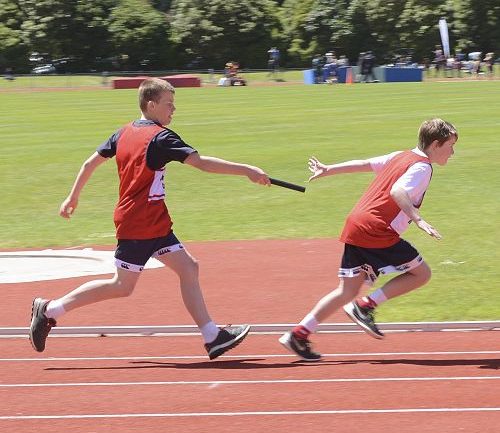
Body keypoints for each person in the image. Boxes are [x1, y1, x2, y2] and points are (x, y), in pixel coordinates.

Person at [29, 78, 271, 358]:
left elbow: (89, 163)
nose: (174, 110)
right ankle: (48, 310)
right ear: (151, 104)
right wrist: (247, 171)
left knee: (188, 269)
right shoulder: (161, 137)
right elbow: (201, 163)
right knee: (121, 286)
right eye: (169, 104)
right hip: (139, 223)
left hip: (151, 221)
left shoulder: (124, 132)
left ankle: (212, 336)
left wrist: (73, 197)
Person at [279, 118, 458, 361]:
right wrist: (418, 219)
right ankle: (365, 306)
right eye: (451, 145)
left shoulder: (401, 156)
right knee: (422, 273)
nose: (453, 151)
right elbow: (397, 191)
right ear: (436, 144)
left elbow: (365, 164)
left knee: (347, 290)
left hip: (356, 223)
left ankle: (298, 335)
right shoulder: (422, 167)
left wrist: (329, 169)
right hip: (376, 229)